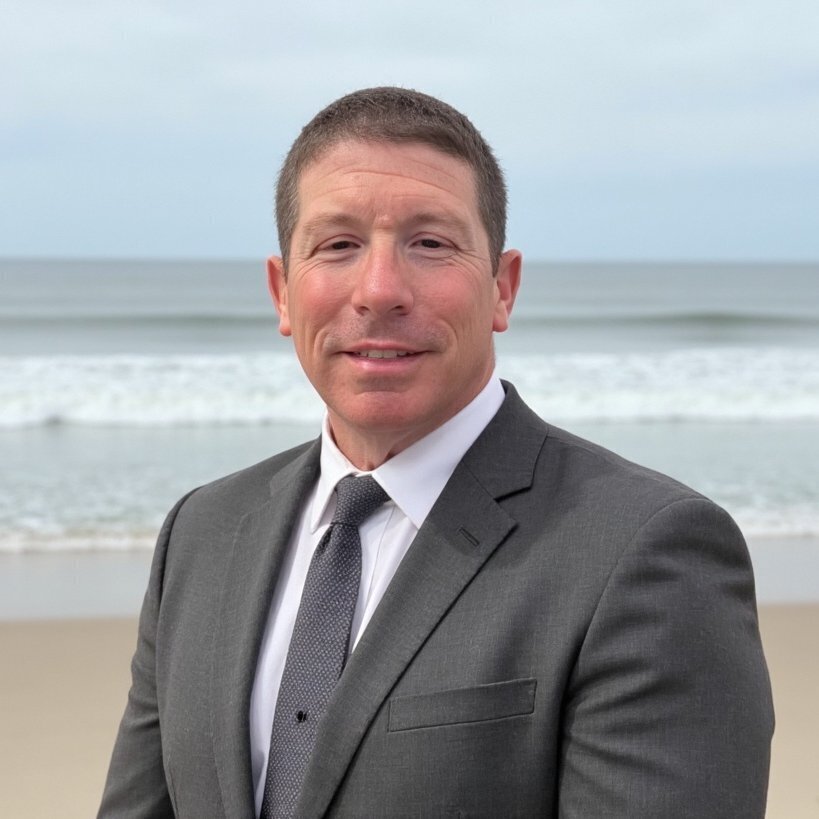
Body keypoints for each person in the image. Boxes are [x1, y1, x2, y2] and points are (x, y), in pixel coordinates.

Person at [98, 87, 773, 818]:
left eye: (430, 243)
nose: (380, 290)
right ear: (282, 292)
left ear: (502, 289)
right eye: (338, 244)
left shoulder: (644, 550)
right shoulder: (201, 534)